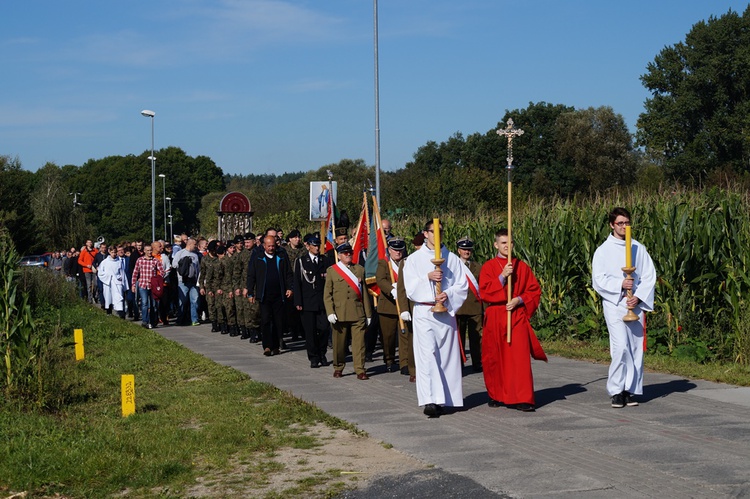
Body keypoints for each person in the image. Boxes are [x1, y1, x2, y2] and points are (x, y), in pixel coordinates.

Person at [402, 220, 468, 417]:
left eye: (440, 232)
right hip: (424, 311)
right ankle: (430, 400)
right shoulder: (414, 259)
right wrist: (427, 278)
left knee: (446, 356)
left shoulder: (452, 258)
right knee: (427, 355)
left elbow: (461, 285)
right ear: (425, 233)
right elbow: (410, 288)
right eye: (433, 232)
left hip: (445, 311)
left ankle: (445, 398)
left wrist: (448, 295)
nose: (436, 236)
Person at [592, 207, 656, 408]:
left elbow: (649, 276)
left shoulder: (638, 248)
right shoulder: (603, 251)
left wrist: (637, 297)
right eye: (620, 223)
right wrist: (620, 285)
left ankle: (630, 389)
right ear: (612, 225)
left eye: (627, 223)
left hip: (634, 304)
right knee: (620, 347)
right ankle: (616, 390)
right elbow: (598, 280)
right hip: (615, 303)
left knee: (635, 348)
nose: (624, 226)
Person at [479, 229, 546, 412]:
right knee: (495, 357)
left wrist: (519, 299)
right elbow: (484, 292)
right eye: (503, 243)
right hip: (495, 316)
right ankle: (496, 394)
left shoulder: (522, 266)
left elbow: (534, 290)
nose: (507, 246)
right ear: (496, 245)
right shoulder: (489, 266)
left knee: (518, 357)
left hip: (515, 314)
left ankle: (523, 397)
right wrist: (502, 276)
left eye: (510, 243)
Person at [324, 243, 372, 379]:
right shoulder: (332, 271)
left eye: (350, 252)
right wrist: (330, 312)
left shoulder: (359, 270)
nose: (348, 255)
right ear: (339, 256)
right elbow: (327, 295)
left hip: (358, 312)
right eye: (345, 253)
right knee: (339, 344)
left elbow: (365, 294)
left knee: (359, 344)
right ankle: (338, 366)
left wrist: (368, 313)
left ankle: (360, 369)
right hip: (340, 313)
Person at [247, 235, 294, 356]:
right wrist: (250, 292)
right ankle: (267, 346)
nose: (271, 248)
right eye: (269, 246)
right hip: (264, 295)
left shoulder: (282, 256)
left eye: (273, 245)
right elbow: (251, 275)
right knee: (266, 320)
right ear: (264, 246)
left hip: (279, 294)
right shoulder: (258, 258)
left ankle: (276, 345)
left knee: (278, 321)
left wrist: (289, 287)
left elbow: (288, 273)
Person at [293, 234, 329, 368]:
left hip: (322, 301)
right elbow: (297, 282)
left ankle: (322, 352)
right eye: (314, 245)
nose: (317, 247)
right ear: (308, 246)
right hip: (307, 302)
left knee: (325, 329)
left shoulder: (325, 261)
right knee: (310, 332)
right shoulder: (301, 261)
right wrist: (298, 302)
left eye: (318, 245)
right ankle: (313, 357)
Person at [375, 237, 407, 372]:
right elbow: (380, 280)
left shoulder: (407, 263)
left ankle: (404, 363)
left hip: (404, 304)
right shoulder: (384, 263)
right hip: (388, 305)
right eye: (395, 249)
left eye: (400, 249)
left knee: (404, 335)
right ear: (389, 250)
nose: (398, 252)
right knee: (388, 337)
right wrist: (391, 289)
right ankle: (389, 359)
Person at [455, 237, 484, 373]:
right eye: (464, 249)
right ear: (458, 250)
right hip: (459, 307)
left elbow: (482, 287)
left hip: (474, 307)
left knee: (476, 337)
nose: (466, 252)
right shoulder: (453, 266)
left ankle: (478, 363)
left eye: (469, 249)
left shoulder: (478, 267)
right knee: (458, 338)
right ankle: (459, 364)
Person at [131, 243, 164, 329]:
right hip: (143, 284)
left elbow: (162, 272)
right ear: (144, 251)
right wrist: (133, 284)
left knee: (153, 304)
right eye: (148, 250)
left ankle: (153, 321)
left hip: (152, 286)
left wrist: (156, 280)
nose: (149, 252)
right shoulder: (140, 260)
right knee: (144, 303)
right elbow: (135, 272)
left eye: (150, 250)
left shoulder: (155, 261)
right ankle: (145, 321)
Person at [172, 237, 201, 326]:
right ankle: (181, 319)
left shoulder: (195, 255)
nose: (196, 246)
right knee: (183, 301)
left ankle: (194, 319)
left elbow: (198, 268)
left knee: (195, 301)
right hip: (183, 281)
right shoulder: (180, 253)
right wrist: (183, 265)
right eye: (195, 244)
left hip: (193, 281)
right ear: (190, 244)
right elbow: (174, 264)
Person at [97, 245, 128, 318]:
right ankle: (109, 312)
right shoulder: (104, 262)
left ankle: (121, 315)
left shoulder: (119, 262)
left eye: (114, 252)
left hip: (117, 283)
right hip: (108, 283)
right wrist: (108, 278)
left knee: (118, 297)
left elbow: (122, 273)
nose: (113, 254)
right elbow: (100, 273)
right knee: (108, 298)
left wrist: (123, 282)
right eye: (112, 252)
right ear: (109, 252)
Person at [77, 239, 98, 303]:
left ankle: (95, 296)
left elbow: (98, 258)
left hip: (94, 269)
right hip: (87, 270)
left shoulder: (95, 250)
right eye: (88, 242)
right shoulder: (84, 251)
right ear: (86, 244)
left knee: (96, 284)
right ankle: (90, 299)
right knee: (89, 285)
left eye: (91, 242)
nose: (90, 243)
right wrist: (86, 265)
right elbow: (79, 260)